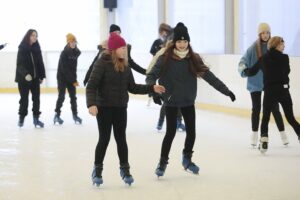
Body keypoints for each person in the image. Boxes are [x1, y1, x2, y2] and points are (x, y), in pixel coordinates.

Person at [146, 22, 236, 178]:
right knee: (170, 133)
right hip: (171, 101)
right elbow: (151, 76)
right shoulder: (165, 57)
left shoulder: (193, 59)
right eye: (179, 41)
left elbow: (210, 77)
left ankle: (187, 159)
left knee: (192, 133)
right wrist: (154, 92)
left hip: (188, 101)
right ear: (174, 42)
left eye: (185, 41)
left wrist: (226, 91)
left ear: (188, 42)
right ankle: (162, 162)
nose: (182, 44)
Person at [86, 32, 165, 186]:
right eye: (122, 47)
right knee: (104, 139)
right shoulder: (102, 62)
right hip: (104, 108)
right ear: (114, 49)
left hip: (121, 108)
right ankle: (97, 169)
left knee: (121, 139)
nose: (124, 50)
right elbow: (91, 85)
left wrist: (152, 88)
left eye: (125, 47)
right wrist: (91, 104)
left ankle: (125, 169)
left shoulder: (125, 65)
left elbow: (133, 87)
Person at [243, 36, 300, 153]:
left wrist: (243, 70)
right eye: (282, 44)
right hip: (284, 91)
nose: (284, 46)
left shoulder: (263, 58)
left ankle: (264, 140)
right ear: (277, 45)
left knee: (265, 117)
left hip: (270, 92)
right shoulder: (284, 58)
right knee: (290, 118)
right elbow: (287, 71)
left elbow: (252, 71)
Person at [238, 23, 288, 147]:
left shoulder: (273, 47)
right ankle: (254, 135)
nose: (265, 35)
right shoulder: (253, 48)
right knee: (256, 109)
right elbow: (242, 62)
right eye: (263, 33)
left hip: (270, 84)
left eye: (267, 33)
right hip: (255, 83)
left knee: (275, 109)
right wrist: (245, 70)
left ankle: (283, 134)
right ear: (259, 34)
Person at [15, 29, 46, 128]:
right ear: (28, 36)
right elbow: (19, 64)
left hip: (35, 78)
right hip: (24, 79)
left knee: (36, 99)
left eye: (36, 36)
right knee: (24, 99)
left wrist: (42, 75)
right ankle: (21, 118)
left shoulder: (37, 48)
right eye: (33, 35)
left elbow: (40, 62)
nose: (35, 37)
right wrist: (25, 74)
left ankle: (36, 119)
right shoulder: (22, 48)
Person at [54, 33, 82, 125]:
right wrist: (73, 80)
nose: (73, 43)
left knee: (73, 97)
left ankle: (75, 115)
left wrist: (74, 79)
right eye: (71, 42)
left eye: (74, 42)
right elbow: (65, 69)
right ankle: (57, 115)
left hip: (71, 78)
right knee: (61, 96)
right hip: (62, 77)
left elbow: (73, 68)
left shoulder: (76, 53)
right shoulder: (64, 53)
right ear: (68, 43)